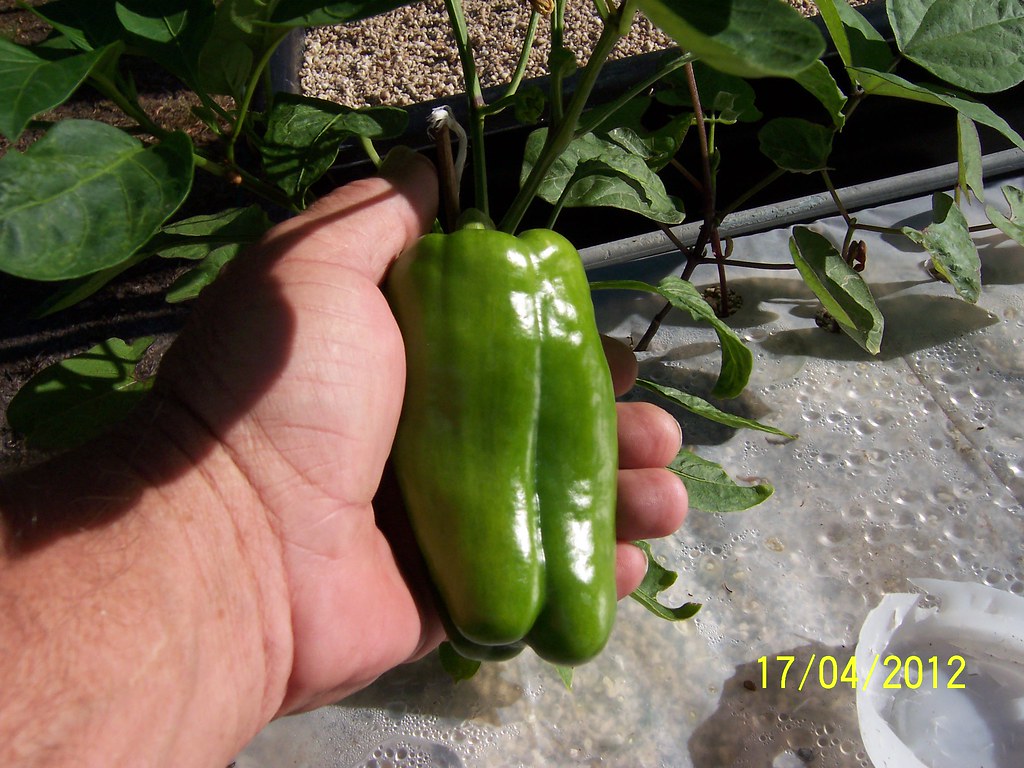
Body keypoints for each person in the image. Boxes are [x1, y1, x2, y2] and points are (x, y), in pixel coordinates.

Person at [0, 148, 687, 767]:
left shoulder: (454, 271)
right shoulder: (515, 266)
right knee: (531, 600)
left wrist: (227, 517)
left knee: (531, 593)